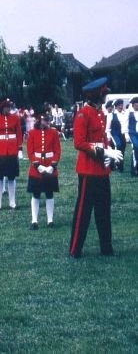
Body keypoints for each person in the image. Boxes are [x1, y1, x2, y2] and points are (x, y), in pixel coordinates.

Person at [69, 77, 123, 259]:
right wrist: (103, 153)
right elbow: (79, 143)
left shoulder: (100, 113)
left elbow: (102, 139)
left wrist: (109, 154)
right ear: (96, 95)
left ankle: (106, 247)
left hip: (101, 169)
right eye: (103, 94)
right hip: (88, 170)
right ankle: (75, 249)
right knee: (83, 211)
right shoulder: (83, 113)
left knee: (103, 209)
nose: (106, 97)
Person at [26, 110, 61, 229]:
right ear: (39, 121)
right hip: (36, 168)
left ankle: (50, 220)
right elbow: (30, 152)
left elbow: (57, 151)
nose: (47, 122)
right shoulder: (32, 133)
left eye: (47, 120)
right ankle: (34, 221)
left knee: (49, 193)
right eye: (45, 120)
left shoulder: (54, 133)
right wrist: (37, 165)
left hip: (50, 166)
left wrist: (52, 166)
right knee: (36, 194)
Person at [0, 98, 22, 210]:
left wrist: (20, 149)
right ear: (2, 109)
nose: (8, 110)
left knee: (11, 178)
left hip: (12, 150)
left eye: (9, 107)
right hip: (0, 150)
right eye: (6, 107)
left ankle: (12, 202)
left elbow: (18, 134)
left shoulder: (15, 118)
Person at [106, 99, 128, 172]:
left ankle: (120, 165)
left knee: (122, 149)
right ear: (115, 106)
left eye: (122, 105)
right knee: (118, 145)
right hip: (114, 133)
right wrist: (108, 136)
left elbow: (125, 125)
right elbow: (108, 127)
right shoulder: (111, 115)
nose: (121, 107)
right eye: (119, 105)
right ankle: (116, 163)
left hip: (122, 134)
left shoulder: (124, 114)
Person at [127, 97, 138, 176]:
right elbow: (125, 124)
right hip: (132, 133)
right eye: (136, 104)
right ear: (133, 105)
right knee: (136, 148)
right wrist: (126, 135)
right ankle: (134, 169)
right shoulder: (128, 112)